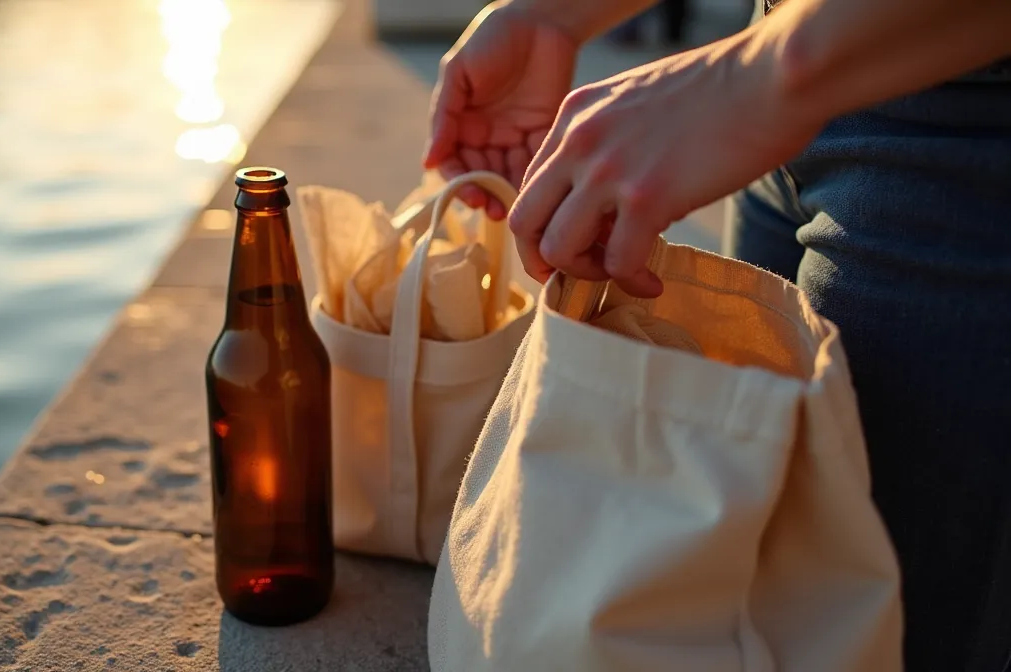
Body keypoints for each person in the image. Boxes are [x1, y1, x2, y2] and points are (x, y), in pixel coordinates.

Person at [424, 0, 1011, 669]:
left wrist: (748, 80)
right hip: (779, 81)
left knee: (891, 636)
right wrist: (554, 16)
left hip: (959, 137)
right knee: (744, 581)